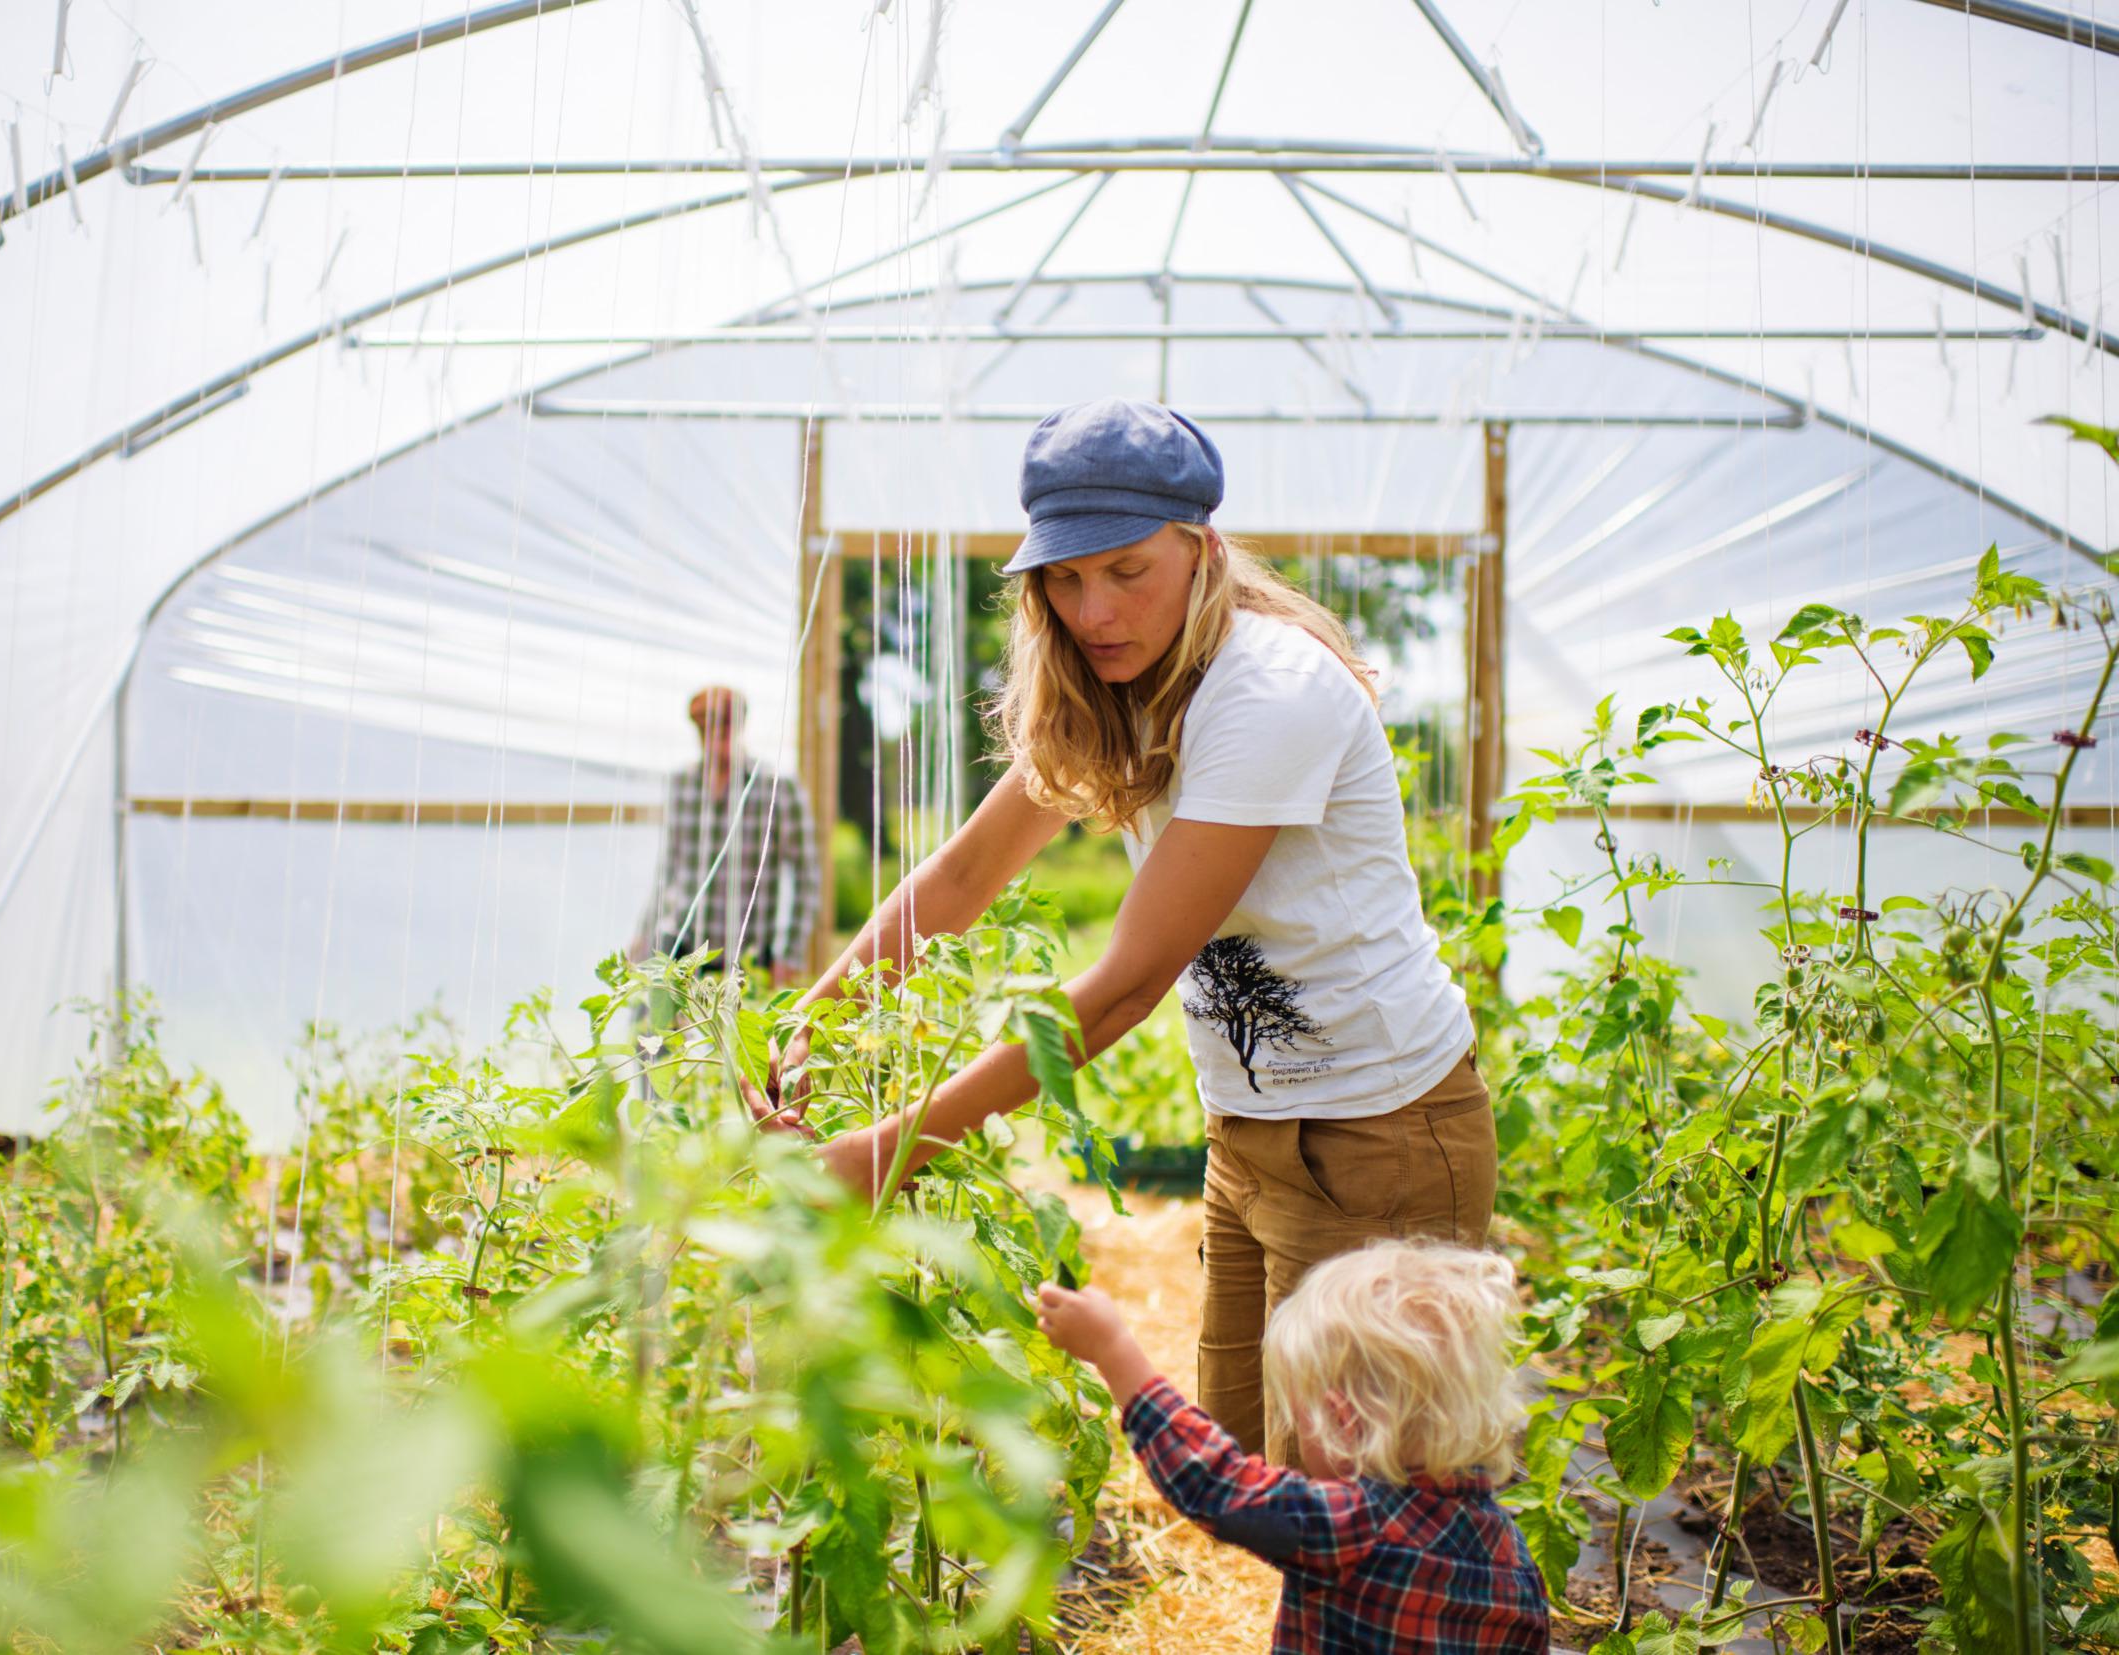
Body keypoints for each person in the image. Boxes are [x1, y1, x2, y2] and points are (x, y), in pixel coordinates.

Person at [766, 398, 1491, 1464]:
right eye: (1062, 577)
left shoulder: (1266, 689)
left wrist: (895, 1147)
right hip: (1250, 1127)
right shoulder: (1121, 687)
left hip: (1380, 1130)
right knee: (1253, 1454)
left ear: (1197, 552)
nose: (1090, 608)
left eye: (1123, 570)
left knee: (1363, 1511)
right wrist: (805, 1028)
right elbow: (962, 872)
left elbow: (1124, 981)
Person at [1034, 1240, 1550, 1652]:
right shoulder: (1513, 1557)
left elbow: (1215, 1487)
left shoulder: (1355, 1527)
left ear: (1343, 1423)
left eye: (1298, 1414)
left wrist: (1113, 1350)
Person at [635, 685, 823, 987]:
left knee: (737, 1032)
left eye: (723, 726)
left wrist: (790, 955)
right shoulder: (682, 783)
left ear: (739, 727)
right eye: (706, 728)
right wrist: (644, 933)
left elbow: (806, 876)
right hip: (679, 944)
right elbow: (668, 867)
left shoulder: (775, 787)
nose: (714, 738)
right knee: (655, 1030)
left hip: (747, 953)